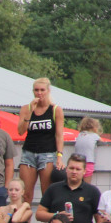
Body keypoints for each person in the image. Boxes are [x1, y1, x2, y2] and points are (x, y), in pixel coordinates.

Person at [17, 77, 65, 207]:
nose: (39, 93)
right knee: (26, 195)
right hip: (29, 153)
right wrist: (30, 112)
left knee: (47, 193)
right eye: (36, 90)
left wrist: (59, 156)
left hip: (48, 154)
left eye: (42, 90)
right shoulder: (26, 109)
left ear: (48, 91)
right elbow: (20, 131)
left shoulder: (56, 110)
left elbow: (59, 135)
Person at [36, 153, 101, 223]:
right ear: (66, 169)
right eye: (71, 168)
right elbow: (39, 214)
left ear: (84, 171)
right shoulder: (53, 189)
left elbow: (99, 220)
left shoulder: (92, 191)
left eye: (78, 169)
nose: (74, 172)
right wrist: (57, 215)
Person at [74, 117, 102, 185]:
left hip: (77, 161)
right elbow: (103, 142)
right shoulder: (94, 135)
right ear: (95, 127)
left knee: (77, 184)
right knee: (87, 185)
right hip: (89, 161)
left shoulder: (79, 135)